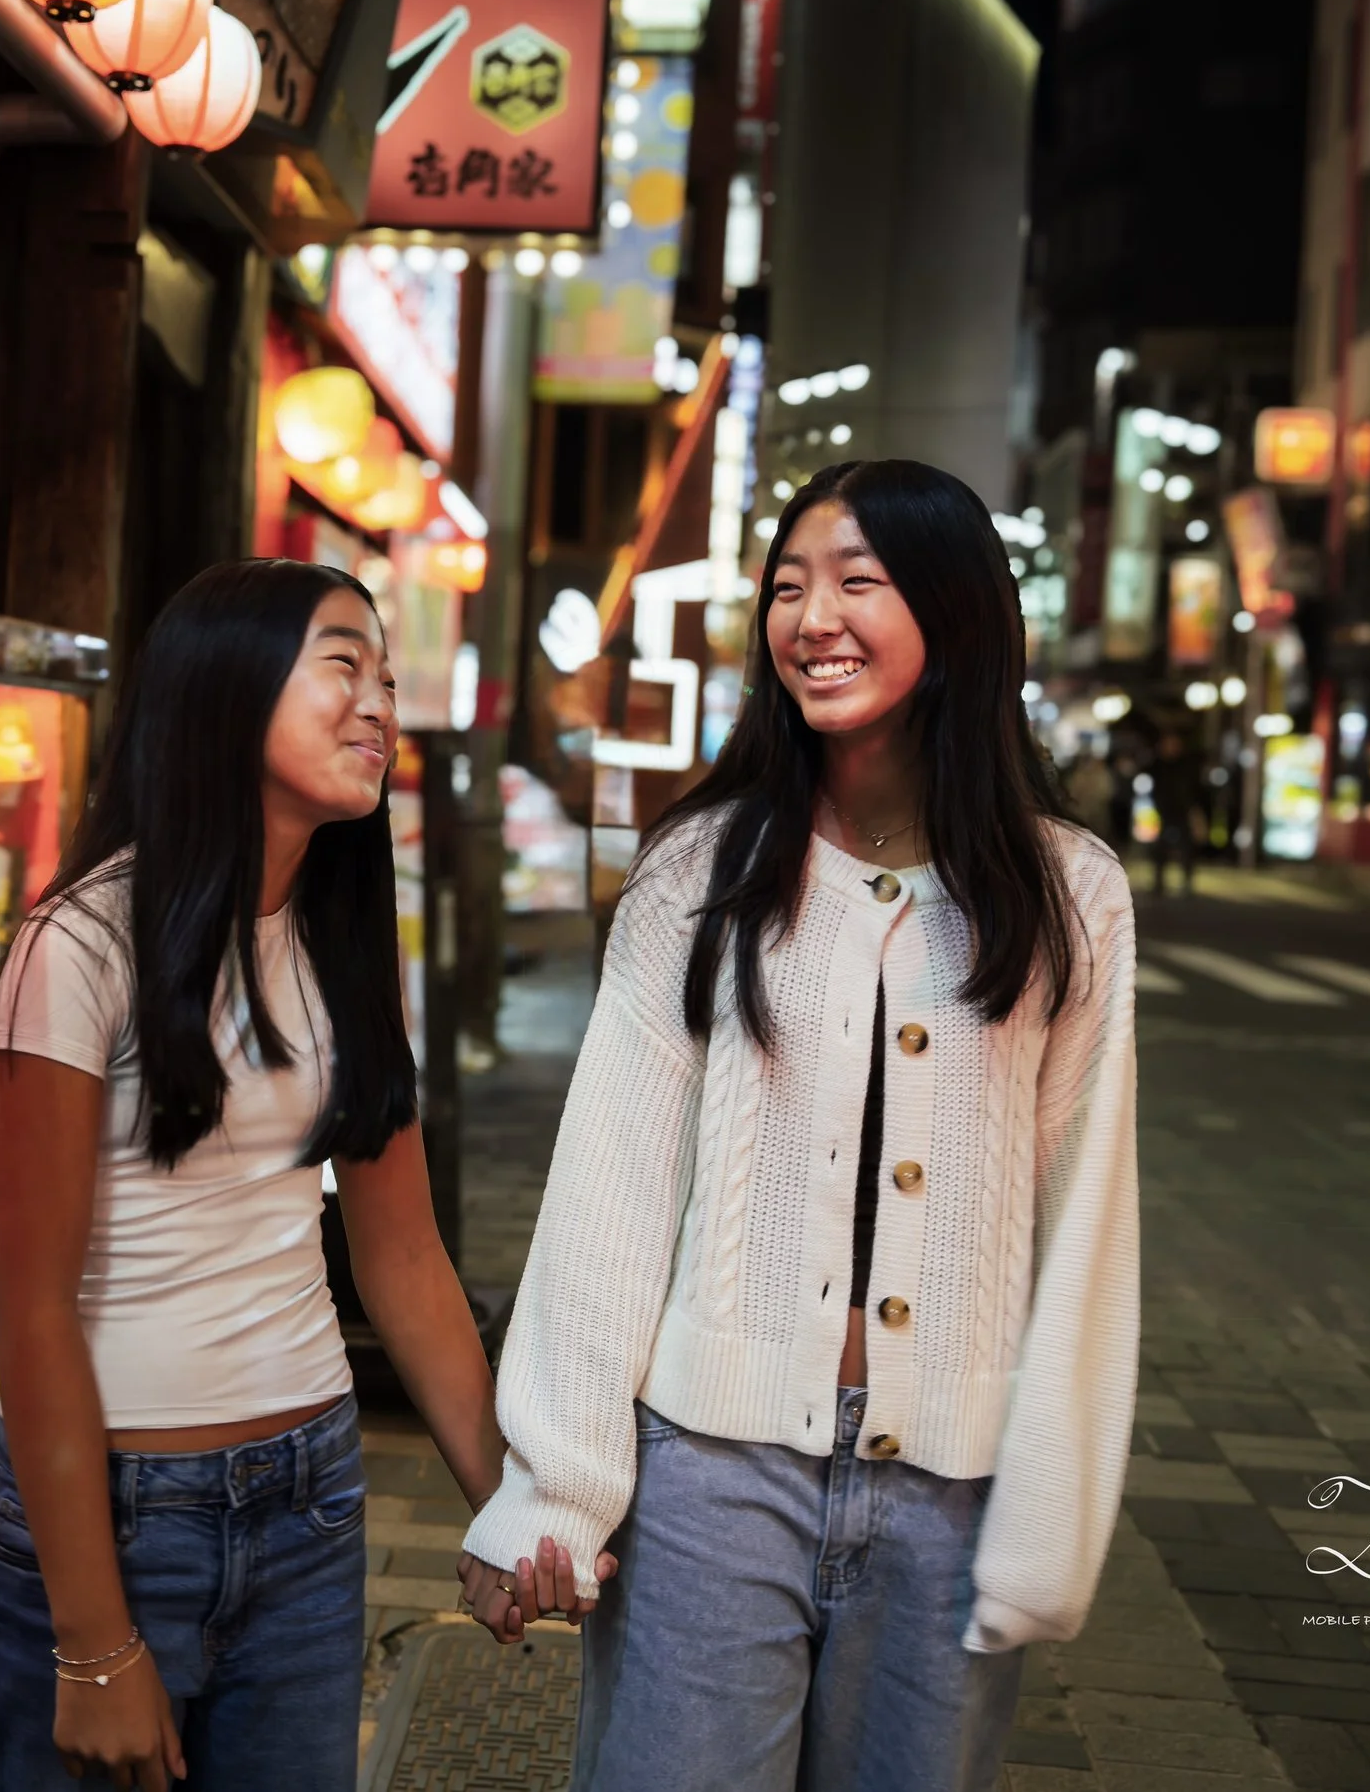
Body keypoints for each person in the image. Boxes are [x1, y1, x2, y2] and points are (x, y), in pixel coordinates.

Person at [456, 461, 1140, 1790]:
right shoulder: (700, 868)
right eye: (788, 585)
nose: (811, 616)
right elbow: (613, 1185)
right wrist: (554, 1483)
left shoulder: (1071, 894)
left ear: (956, 612)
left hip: (952, 1499)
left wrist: (1051, 1512)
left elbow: (1085, 1223)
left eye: (859, 582)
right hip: (712, 1479)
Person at [0, 560, 586, 1792]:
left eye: (385, 678)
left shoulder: (343, 943)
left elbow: (401, 1258)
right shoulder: (74, 947)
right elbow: (28, 1310)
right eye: (342, 665)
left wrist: (507, 1504)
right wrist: (92, 1641)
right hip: (113, 1515)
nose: (378, 704)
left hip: (308, 1504)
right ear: (224, 691)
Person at [1147, 729, 1202, 896]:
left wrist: (1194, 809)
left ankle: (1187, 881)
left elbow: (1195, 790)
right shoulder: (1156, 766)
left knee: (1186, 847)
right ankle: (1158, 882)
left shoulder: (1187, 765)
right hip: (1161, 812)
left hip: (1183, 811)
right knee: (1159, 848)